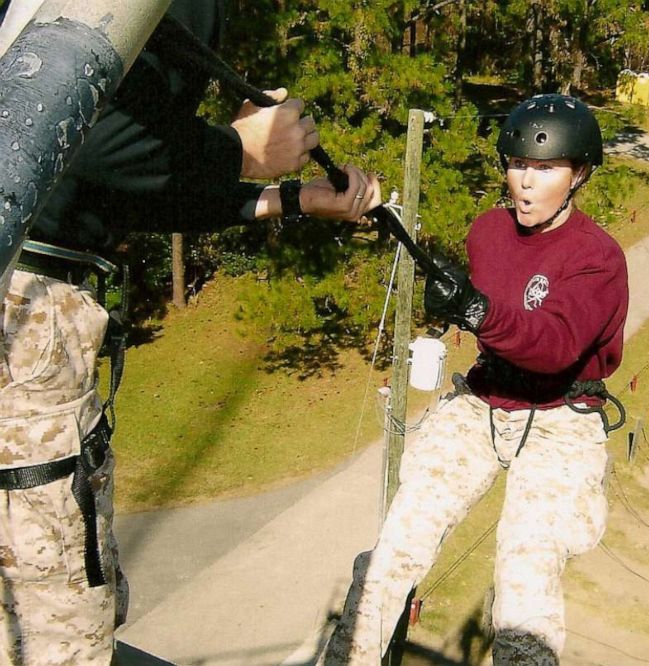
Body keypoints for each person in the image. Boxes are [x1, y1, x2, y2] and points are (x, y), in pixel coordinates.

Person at [0, 2, 381, 664]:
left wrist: (290, 195)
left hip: (36, 296)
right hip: (26, 311)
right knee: (57, 628)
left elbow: (122, 182)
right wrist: (238, 150)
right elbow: (55, 129)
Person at [325, 94, 628, 665]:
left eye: (545, 169)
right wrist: (461, 301)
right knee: (392, 555)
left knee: (524, 587)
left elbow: (554, 346)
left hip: (561, 417)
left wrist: (476, 309)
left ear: (579, 173)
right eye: (517, 166)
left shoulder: (598, 258)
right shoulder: (487, 231)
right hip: (485, 398)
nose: (526, 183)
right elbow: (492, 318)